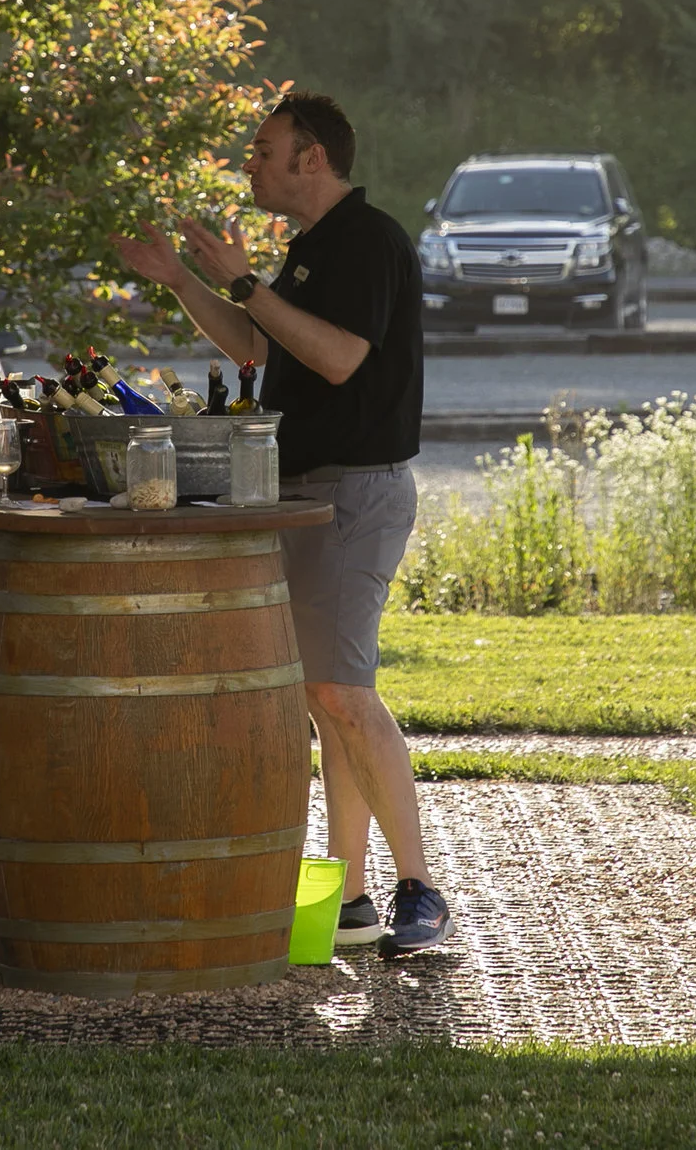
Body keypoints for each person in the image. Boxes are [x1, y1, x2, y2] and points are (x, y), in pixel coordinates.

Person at [110, 93, 450, 958]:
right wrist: (184, 281)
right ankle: (350, 896)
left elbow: (337, 359)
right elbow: (259, 348)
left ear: (313, 158)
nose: (249, 163)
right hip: (303, 493)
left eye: (263, 150)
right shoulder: (310, 249)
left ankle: (421, 891)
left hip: (355, 493)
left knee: (344, 694)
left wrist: (243, 281)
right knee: (324, 697)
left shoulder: (368, 241)